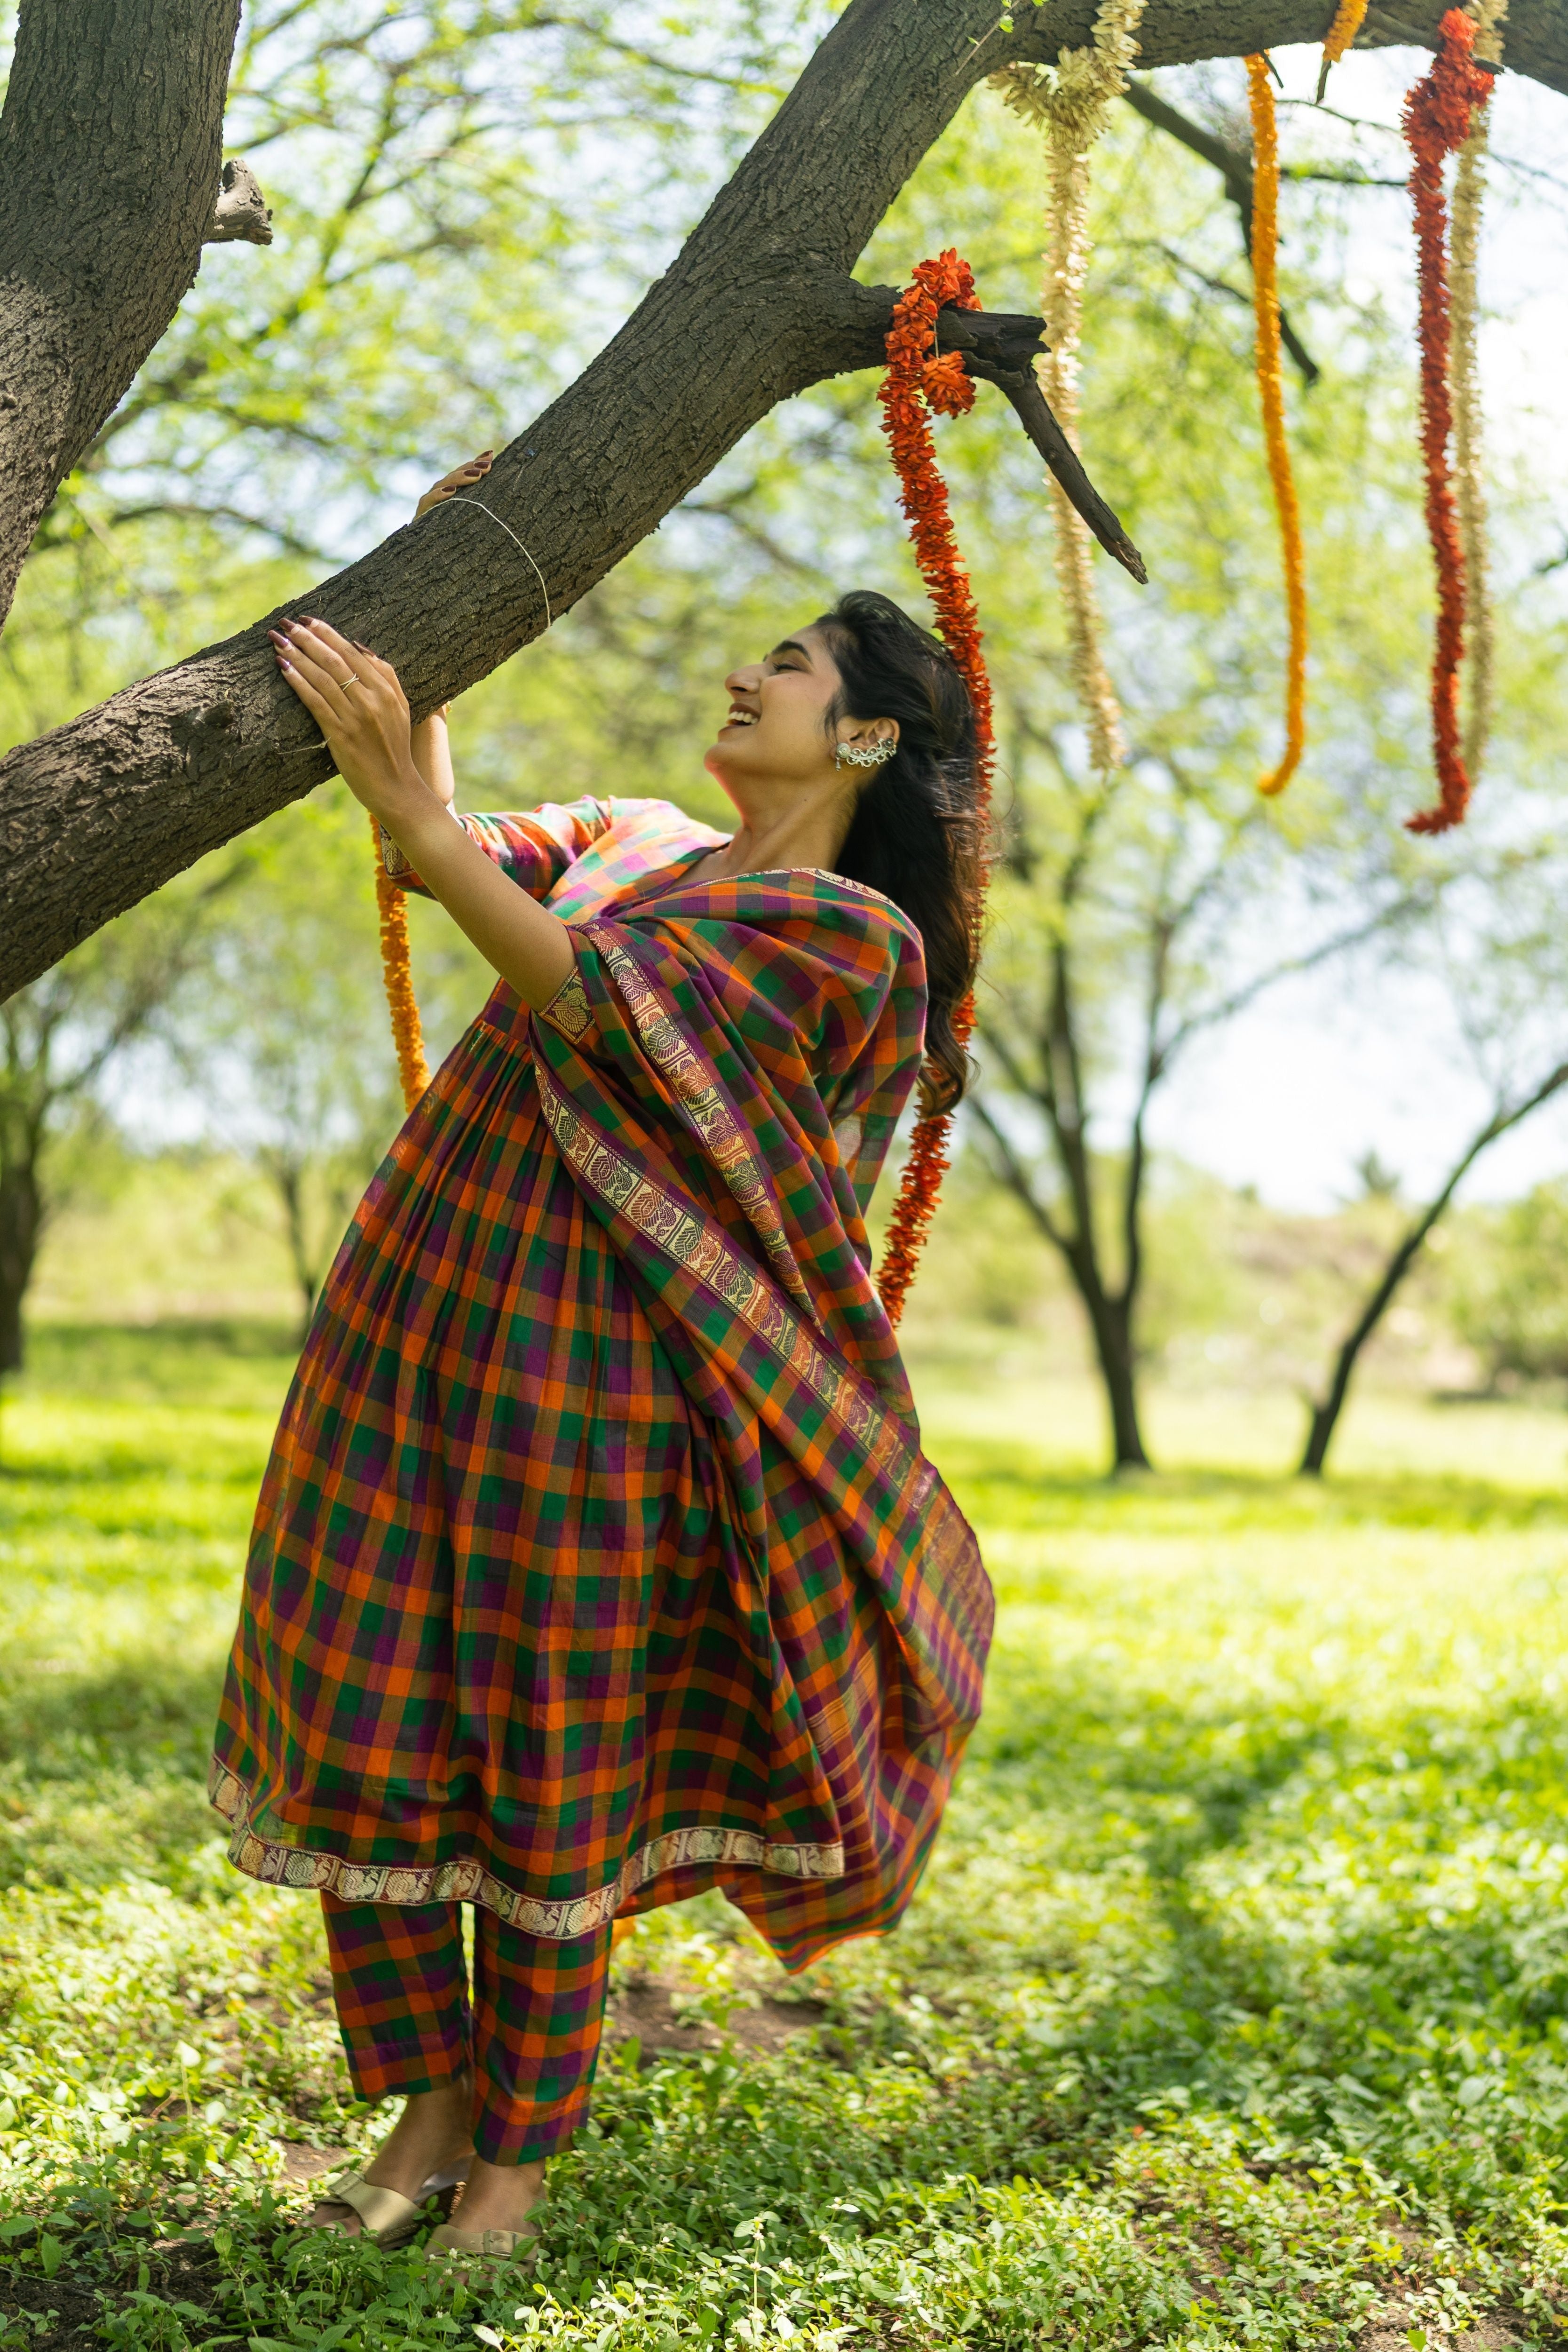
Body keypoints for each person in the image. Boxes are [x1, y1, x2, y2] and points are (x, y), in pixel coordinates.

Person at [210, 453, 995, 2278]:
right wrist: (453, 605)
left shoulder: (851, 942)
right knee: (382, 1698)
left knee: (549, 1755)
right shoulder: (643, 837)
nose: (750, 674)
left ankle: (514, 2163)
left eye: (793, 663)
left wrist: (419, 828)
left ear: (869, 737)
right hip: (421, 1328)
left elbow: (583, 994)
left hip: (605, 1387)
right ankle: (426, 2097)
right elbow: (479, 857)